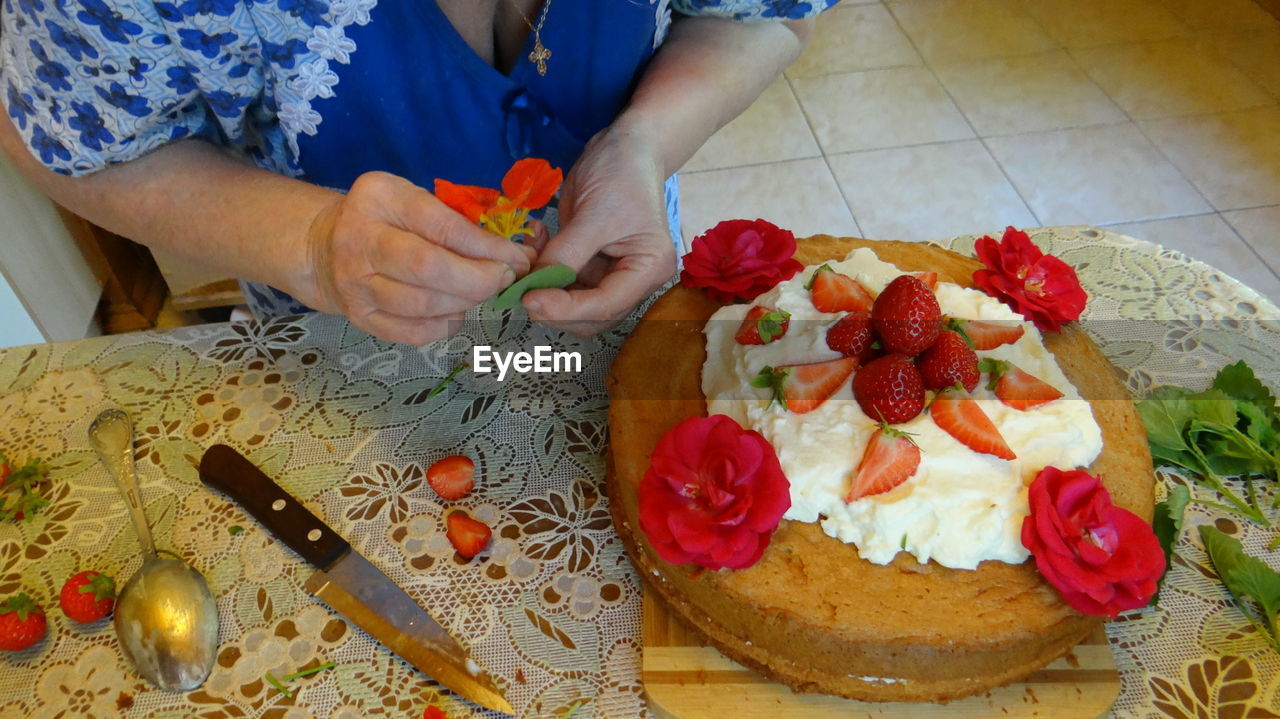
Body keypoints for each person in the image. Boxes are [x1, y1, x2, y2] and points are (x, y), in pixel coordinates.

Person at [0, 0, 835, 345]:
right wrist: (314, 243)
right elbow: (65, 139)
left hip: (614, 310)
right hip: (345, 358)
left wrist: (643, 144)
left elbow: (765, 17)